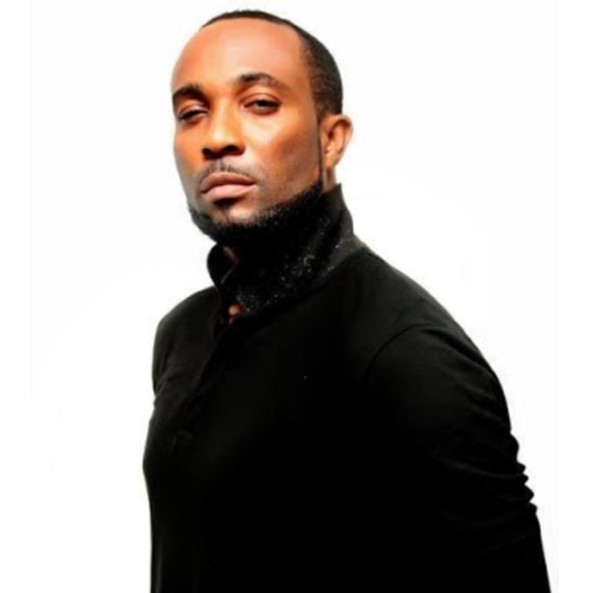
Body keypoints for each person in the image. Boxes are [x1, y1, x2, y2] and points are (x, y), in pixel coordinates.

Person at [143, 9, 551, 592]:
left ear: (331, 139)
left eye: (260, 103)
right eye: (192, 113)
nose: (217, 137)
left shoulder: (408, 356)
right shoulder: (182, 332)